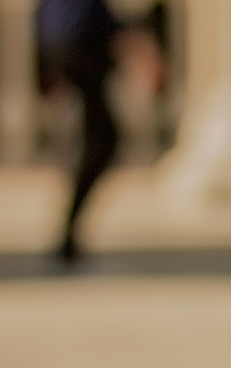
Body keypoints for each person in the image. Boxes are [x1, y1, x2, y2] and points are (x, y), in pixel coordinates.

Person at [34, 0, 158, 267]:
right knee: (102, 140)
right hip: (82, 49)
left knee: (97, 140)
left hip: (72, 49)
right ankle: (68, 233)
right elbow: (92, 21)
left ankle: (69, 232)